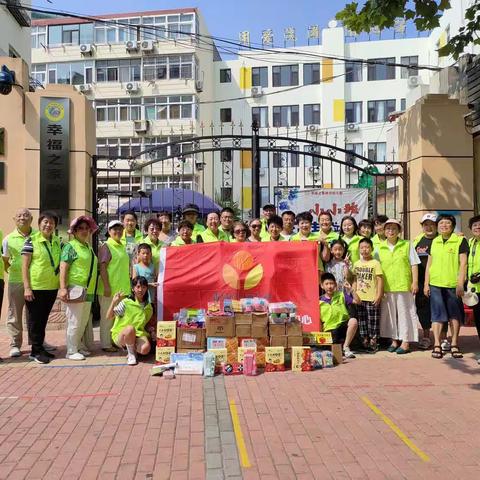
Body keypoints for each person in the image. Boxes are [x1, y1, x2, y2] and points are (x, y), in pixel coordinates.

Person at [2, 209, 56, 358]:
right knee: (15, 313)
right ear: (14, 219)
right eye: (19, 216)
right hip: (16, 281)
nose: (22, 218)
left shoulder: (38, 235)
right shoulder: (8, 238)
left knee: (35, 315)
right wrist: (16, 272)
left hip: (36, 283)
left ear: (32, 219)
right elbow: (5, 260)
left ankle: (37, 343)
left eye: (26, 215)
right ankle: (15, 344)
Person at [425, 214, 468, 359]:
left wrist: (460, 283)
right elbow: (429, 265)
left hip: (452, 285)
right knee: (436, 316)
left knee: (454, 315)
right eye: (441, 223)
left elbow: (463, 263)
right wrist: (426, 284)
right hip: (435, 284)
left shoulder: (460, 240)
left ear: (453, 225)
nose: (444, 225)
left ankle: (454, 343)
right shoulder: (435, 241)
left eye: (447, 223)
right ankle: (437, 344)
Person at [21, 211, 61, 364]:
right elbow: (25, 267)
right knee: (35, 320)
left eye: (51, 223)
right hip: (36, 287)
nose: (48, 225)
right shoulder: (31, 241)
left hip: (51, 287)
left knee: (43, 319)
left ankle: (40, 347)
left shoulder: (57, 241)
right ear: (39, 224)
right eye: (45, 222)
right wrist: (27, 287)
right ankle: (35, 351)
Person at [377, 219, 420, 354]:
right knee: (390, 315)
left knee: (405, 314)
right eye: (388, 228)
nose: (391, 231)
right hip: (387, 287)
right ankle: (394, 340)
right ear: (384, 231)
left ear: (399, 231)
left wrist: (415, 282)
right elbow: (376, 269)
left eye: (394, 228)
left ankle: (406, 341)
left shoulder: (407, 245)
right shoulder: (379, 248)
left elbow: (414, 264)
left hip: (403, 285)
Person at [59, 216, 98, 361]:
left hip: (88, 289)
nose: (84, 231)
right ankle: (71, 350)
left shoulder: (87, 247)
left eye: (86, 228)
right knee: (74, 320)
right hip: (76, 287)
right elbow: (63, 267)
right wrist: (63, 288)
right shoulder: (71, 246)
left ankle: (78, 345)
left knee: (82, 320)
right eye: (80, 228)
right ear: (74, 231)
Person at [98, 220, 132, 352]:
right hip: (109, 290)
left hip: (122, 290)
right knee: (107, 318)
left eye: (119, 229)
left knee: (118, 318)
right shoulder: (106, 246)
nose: (117, 231)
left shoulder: (123, 246)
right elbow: (103, 267)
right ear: (109, 231)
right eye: (114, 229)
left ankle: (114, 341)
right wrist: (106, 286)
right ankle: (106, 344)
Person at [107, 277, 152, 366]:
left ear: (147, 288)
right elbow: (109, 316)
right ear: (133, 289)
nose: (140, 290)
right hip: (122, 335)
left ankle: (132, 348)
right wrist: (113, 302)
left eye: (143, 287)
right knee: (130, 329)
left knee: (145, 349)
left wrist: (151, 331)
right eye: (138, 287)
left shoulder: (148, 307)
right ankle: (131, 354)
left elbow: (145, 325)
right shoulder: (126, 302)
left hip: (138, 334)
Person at [353, 237, 384, 352]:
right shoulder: (356, 264)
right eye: (362, 247)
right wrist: (355, 294)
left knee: (373, 320)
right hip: (360, 298)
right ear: (359, 249)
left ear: (371, 248)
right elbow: (355, 280)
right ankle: (364, 340)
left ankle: (374, 341)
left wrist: (379, 295)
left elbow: (380, 279)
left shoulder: (375, 263)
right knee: (362, 320)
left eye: (367, 247)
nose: (364, 250)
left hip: (372, 297)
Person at [413, 213, 438, 350]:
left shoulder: (442, 239)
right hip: (421, 282)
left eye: (431, 224)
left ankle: (443, 339)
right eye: (425, 224)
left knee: (440, 311)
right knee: (423, 310)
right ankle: (426, 336)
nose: (428, 227)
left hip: (439, 281)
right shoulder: (417, 241)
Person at [319, 272, 359, 359]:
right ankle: (338, 350)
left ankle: (346, 347)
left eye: (331, 283)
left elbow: (357, 301)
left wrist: (352, 290)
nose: (329, 286)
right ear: (322, 286)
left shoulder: (341, 295)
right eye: (327, 284)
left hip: (342, 327)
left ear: (335, 284)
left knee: (353, 321)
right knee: (330, 352)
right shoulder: (319, 301)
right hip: (329, 330)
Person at [467, 214, 480, 363]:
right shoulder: (469, 243)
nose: (478, 227)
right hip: (474, 289)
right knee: (478, 320)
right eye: (475, 225)